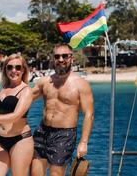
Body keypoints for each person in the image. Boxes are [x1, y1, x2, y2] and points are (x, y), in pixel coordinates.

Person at [31, 43, 94, 176]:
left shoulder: (81, 84)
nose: (61, 59)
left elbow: (89, 114)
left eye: (65, 56)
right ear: (53, 59)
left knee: (56, 174)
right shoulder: (45, 82)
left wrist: (83, 143)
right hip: (42, 131)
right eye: (57, 56)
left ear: (72, 58)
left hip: (64, 135)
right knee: (35, 172)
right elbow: (26, 99)